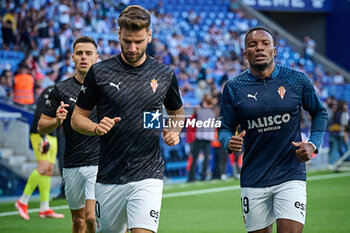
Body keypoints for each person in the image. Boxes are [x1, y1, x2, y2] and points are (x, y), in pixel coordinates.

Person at [71, 5, 185, 233]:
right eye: (127, 41)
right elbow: (77, 119)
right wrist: (95, 127)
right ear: (118, 35)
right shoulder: (99, 72)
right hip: (108, 175)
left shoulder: (164, 74)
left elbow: (177, 113)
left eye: (139, 41)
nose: (133, 48)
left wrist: (175, 131)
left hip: (148, 173)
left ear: (150, 36)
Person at [218, 26, 328, 233]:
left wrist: (313, 144)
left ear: (274, 51)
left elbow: (319, 113)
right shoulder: (233, 87)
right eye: (253, 45)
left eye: (265, 44)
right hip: (253, 177)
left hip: (290, 174)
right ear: (245, 53)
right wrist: (228, 141)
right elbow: (224, 127)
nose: (259, 48)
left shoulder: (297, 80)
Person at [37, 36, 100, 233]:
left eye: (88, 53)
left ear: (96, 57)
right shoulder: (60, 89)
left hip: (98, 162)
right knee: (78, 221)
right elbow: (41, 126)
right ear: (72, 57)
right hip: (72, 164)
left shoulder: (105, 88)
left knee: (91, 217)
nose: (84, 57)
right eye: (79, 53)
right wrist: (56, 121)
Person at [16, 86, 64, 220]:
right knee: (42, 168)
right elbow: (40, 113)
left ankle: (44, 208)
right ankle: (22, 201)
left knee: (48, 170)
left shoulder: (68, 91)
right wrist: (43, 136)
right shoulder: (51, 90)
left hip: (53, 135)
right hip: (41, 133)